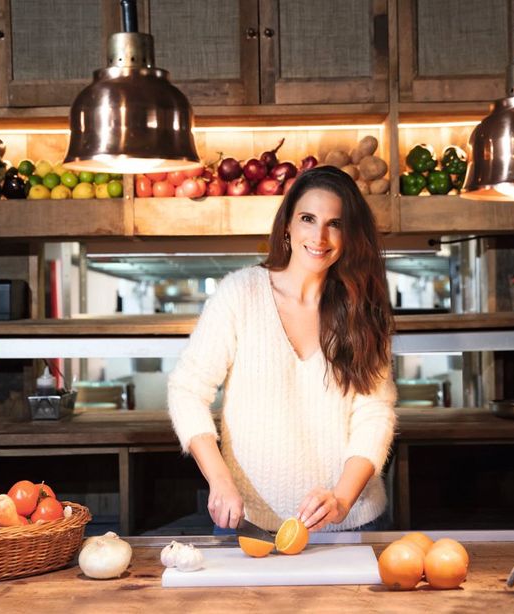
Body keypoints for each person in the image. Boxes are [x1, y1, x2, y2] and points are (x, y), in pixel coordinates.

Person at [167, 166, 397, 533]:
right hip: (248, 520)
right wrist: (220, 480)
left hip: (350, 522)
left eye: (335, 223)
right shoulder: (240, 293)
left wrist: (341, 497)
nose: (319, 236)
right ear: (287, 225)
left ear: (350, 235)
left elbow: (374, 413)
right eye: (308, 218)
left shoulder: (364, 311)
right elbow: (187, 390)